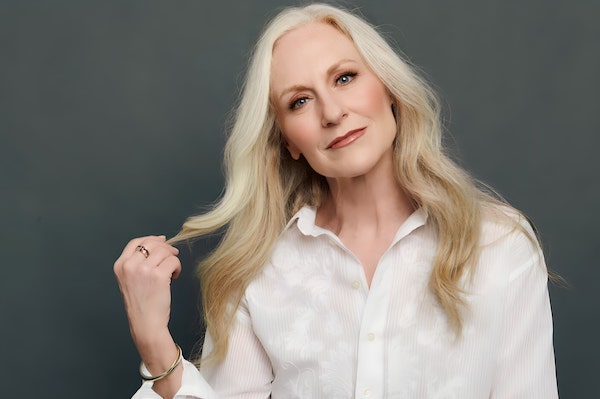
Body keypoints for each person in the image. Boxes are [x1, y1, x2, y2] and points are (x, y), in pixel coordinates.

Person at [114, 3, 558, 399]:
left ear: (388, 89)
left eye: (345, 78)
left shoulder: (499, 243)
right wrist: (154, 343)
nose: (332, 112)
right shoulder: (259, 268)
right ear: (287, 140)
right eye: (300, 101)